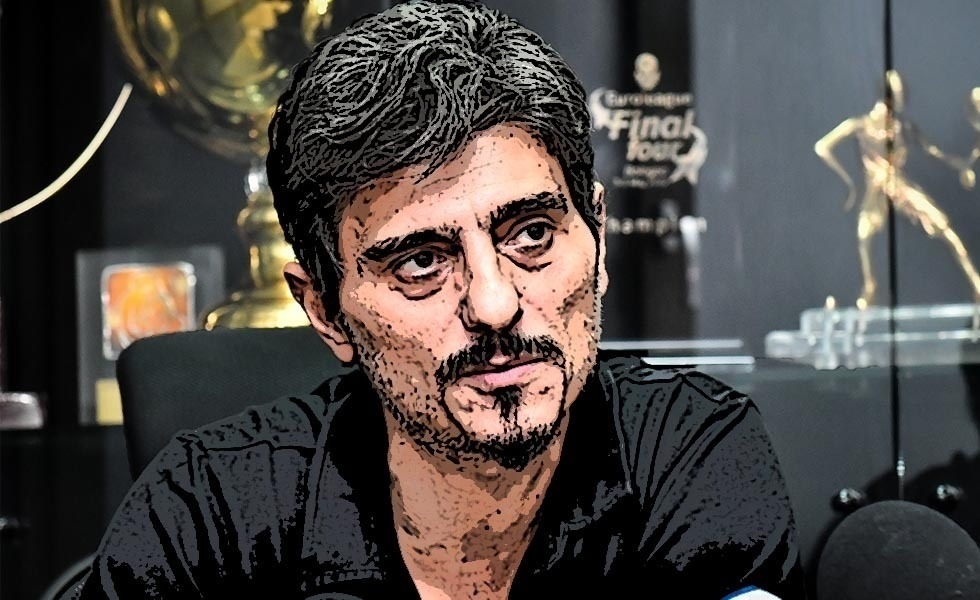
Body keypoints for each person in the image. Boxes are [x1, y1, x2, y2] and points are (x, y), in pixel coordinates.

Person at [72, 2, 804, 598]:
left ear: (599, 240)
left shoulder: (686, 452)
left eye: (532, 235)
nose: (494, 304)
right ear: (325, 310)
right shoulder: (211, 507)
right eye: (421, 262)